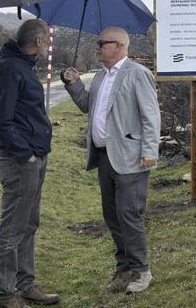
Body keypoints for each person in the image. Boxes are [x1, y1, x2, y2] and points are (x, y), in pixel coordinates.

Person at [61, 26, 160, 294]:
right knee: (112, 215)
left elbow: (151, 116)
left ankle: (141, 271)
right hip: (105, 157)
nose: (97, 47)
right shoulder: (101, 77)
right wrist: (73, 84)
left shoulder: (138, 74)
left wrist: (150, 151)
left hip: (131, 158)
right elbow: (87, 107)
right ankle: (124, 268)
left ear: (117, 46)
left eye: (102, 43)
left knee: (128, 214)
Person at [0, 19, 59, 308]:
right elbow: (2, 122)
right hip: (21, 161)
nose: (49, 45)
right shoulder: (9, 67)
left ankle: (25, 284)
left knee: (29, 223)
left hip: (34, 157)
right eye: (48, 40)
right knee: (13, 227)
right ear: (39, 42)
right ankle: (6, 294)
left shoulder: (22, 64)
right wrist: (26, 154)